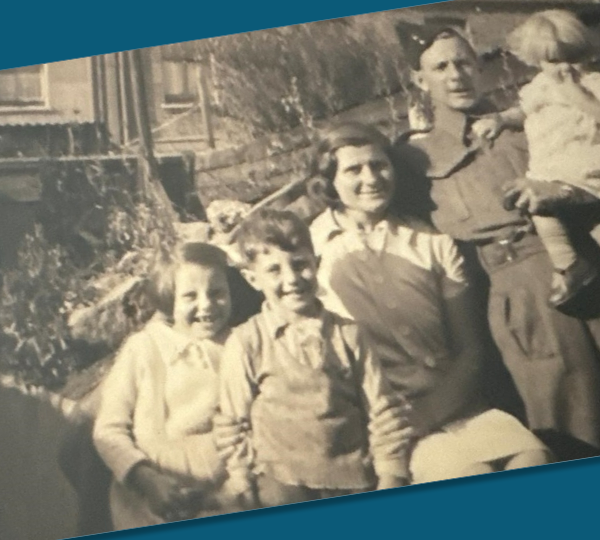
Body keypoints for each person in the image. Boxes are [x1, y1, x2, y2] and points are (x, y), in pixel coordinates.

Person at [393, 20, 600, 457]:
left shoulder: (532, 115)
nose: (456, 75)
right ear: (419, 79)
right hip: (515, 301)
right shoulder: (412, 157)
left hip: (585, 264)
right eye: (441, 66)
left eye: (465, 62)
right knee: (569, 429)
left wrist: (563, 191)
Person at [309, 122, 551, 484]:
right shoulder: (311, 250)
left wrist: (429, 413)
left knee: (536, 461)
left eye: (379, 164)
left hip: (458, 404)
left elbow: (470, 350)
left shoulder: (430, 241)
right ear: (329, 181)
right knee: (471, 476)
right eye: (354, 170)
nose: (371, 178)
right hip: (387, 420)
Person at [218, 208, 412, 507]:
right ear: (251, 278)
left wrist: (390, 475)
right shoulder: (247, 342)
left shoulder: (348, 334)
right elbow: (233, 422)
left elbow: (382, 411)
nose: (292, 278)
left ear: (316, 263)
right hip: (281, 483)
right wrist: (242, 479)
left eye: (300, 264)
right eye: (274, 270)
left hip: (351, 479)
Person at [93, 242, 235, 530]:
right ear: (169, 299)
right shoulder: (144, 348)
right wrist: (145, 478)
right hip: (156, 496)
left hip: (227, 490)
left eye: (217, 292)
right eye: (190, 296)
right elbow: (108, 429)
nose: (206, 304)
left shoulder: (238, 343)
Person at [472, 10, 600, 307]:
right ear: (537, 62)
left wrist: (574, 92)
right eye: (553, 62)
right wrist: (501, 119)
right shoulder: (539, 87)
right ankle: (569, 266)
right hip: (547, 169)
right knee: (541, 212)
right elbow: (524, 111)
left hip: (584, 165)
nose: (565, 69)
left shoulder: (592, 83)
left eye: (573, 58)